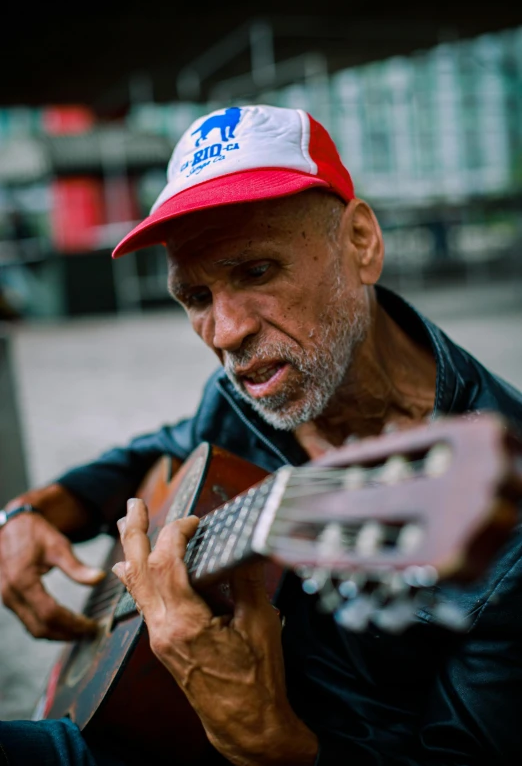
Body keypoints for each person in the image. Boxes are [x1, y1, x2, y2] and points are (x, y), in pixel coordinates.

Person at [1, 104, 522, 765]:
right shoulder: (248, 394)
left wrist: (271, 742)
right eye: (195, 296)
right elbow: (158, 449)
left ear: (360, 241)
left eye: (256, 272)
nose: (225, 333)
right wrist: (33, 511)